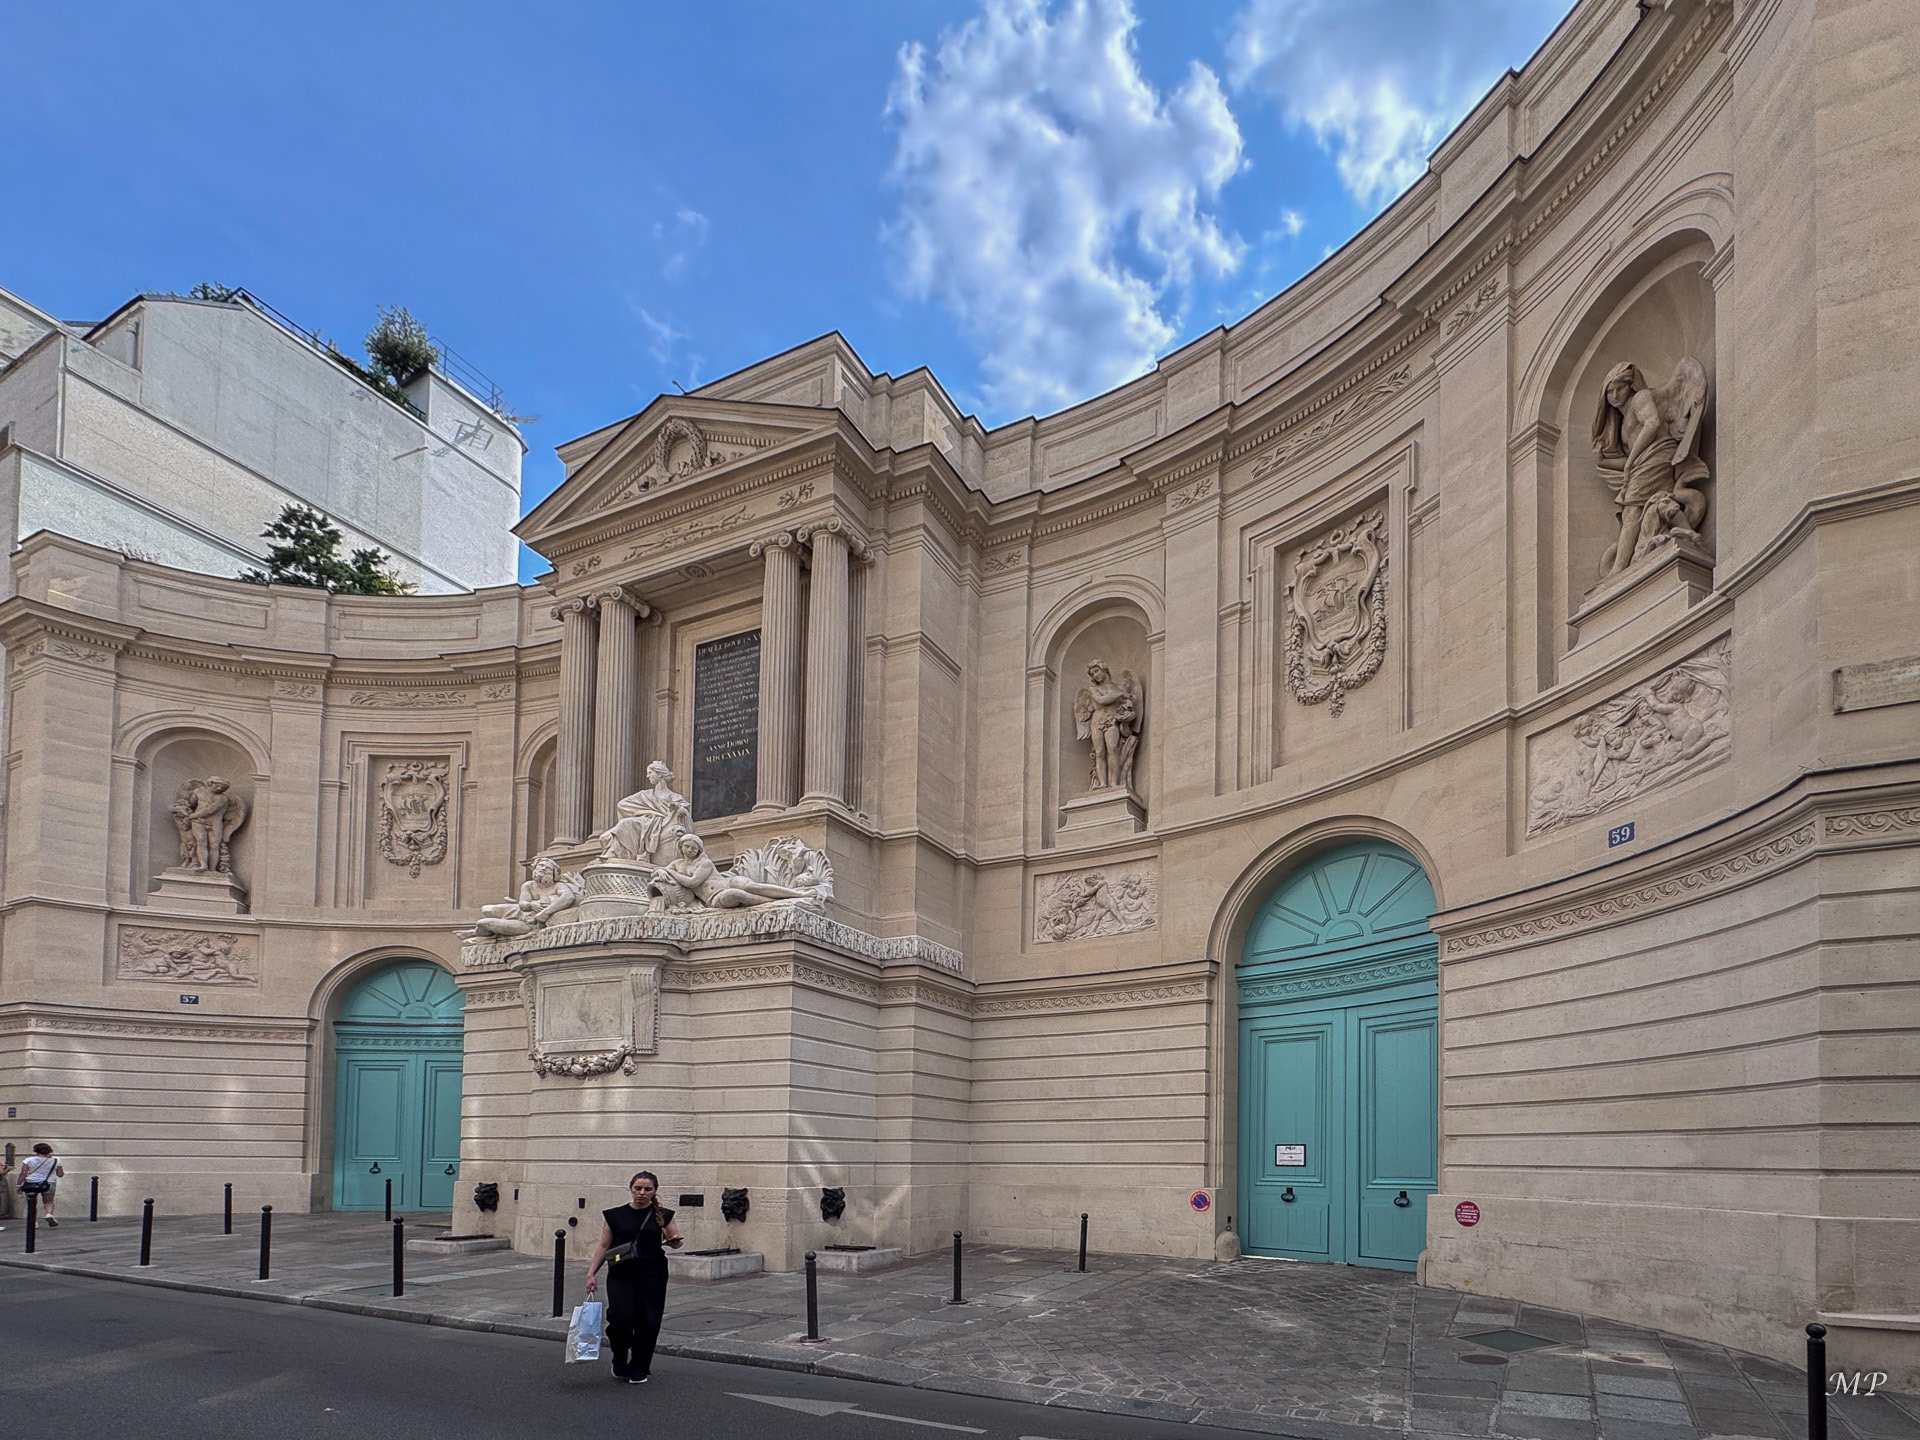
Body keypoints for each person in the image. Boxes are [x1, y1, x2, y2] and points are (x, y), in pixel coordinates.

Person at [584, 1170, 683, 1384]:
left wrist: (675, 1241)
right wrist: (591, 1273)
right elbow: (604, 1245)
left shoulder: (663, 1215)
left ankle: (639, 1366)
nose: (642, 1193)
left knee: (648, 1320)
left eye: (648, 1189)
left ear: (654, 1191)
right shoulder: (615, 1215)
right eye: (638, 1188)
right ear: (630, 1189)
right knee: (620, 1319)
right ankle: (619, 1357)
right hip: (621, 1274)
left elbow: (675, 1239)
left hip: (653, 1274)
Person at [19, 1143, 64, 1226]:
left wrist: (19, 1183)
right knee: (48, 1201)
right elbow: (60, 1174)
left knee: (32, 1202)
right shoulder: (56, 1161)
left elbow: (23, 1173)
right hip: (49, 1183)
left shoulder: (28, 1160)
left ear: (35, 1150)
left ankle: (34, 1222)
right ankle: (49, 1214)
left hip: (31, 1183)